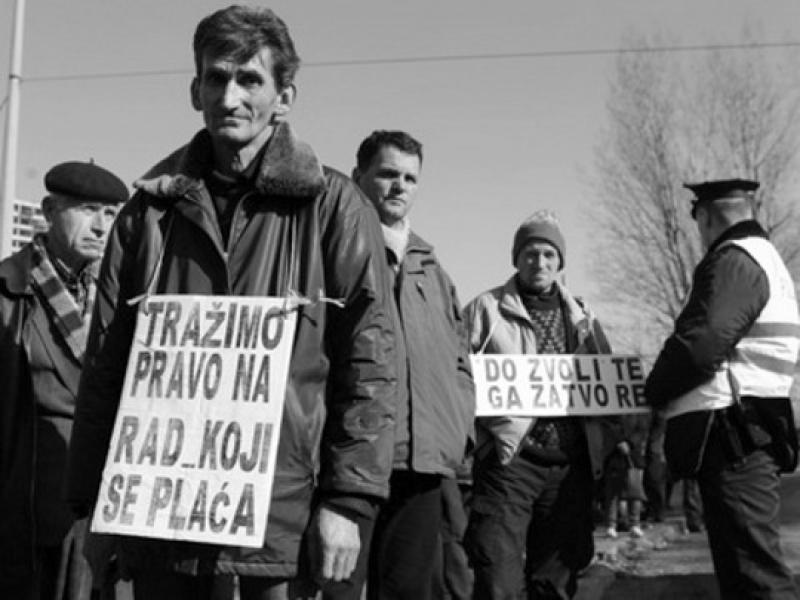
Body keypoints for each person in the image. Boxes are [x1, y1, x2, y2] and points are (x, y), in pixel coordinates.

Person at [66, 6, 397, 600]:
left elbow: (370, 365)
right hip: (158, 524)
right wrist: (91, 504)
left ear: (284, 96)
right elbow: (104, 371)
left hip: (279, 530)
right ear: (194, 90)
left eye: (250, 79)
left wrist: (348, 501)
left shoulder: (335, 209)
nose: (230, 95)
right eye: (216, 78)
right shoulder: (146, 216)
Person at [646, 179, 799, 599]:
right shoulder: (766, 261)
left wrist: (654, 388)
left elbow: (701, 345)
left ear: (708, 217)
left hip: (734, 435)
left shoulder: (733, 260)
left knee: (755, 576)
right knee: (746, 570)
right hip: (751, 429)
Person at [463, 211, 622, 600]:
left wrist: (612, 447)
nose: (540, 263)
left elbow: (607, 387)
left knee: (555, 580)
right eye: (531, 254)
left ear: (560, 263)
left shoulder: (583, 317)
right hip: (509, 461)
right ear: (516, 259)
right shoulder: (486, 309)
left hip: (568, 467)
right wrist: (474, 443)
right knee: (497, 575)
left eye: (549, 255)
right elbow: (457, 377)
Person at [346, 130, 474, 600]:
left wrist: (458, 430)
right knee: (336, 589)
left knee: (410, 590)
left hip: (422, 464)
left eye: (410, 178)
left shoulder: (433, 271)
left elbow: (459, 360)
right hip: (351, 461)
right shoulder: (335, 251)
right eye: (387, 174)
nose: (399, 186)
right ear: (359, 177)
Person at [0, 161, 128, 599]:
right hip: (25, 509)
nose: (100, 226)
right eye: (88, 210)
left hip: (100, 510)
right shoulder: (7, 290)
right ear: (49, 210)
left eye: (110, 215)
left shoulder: (121, 297)